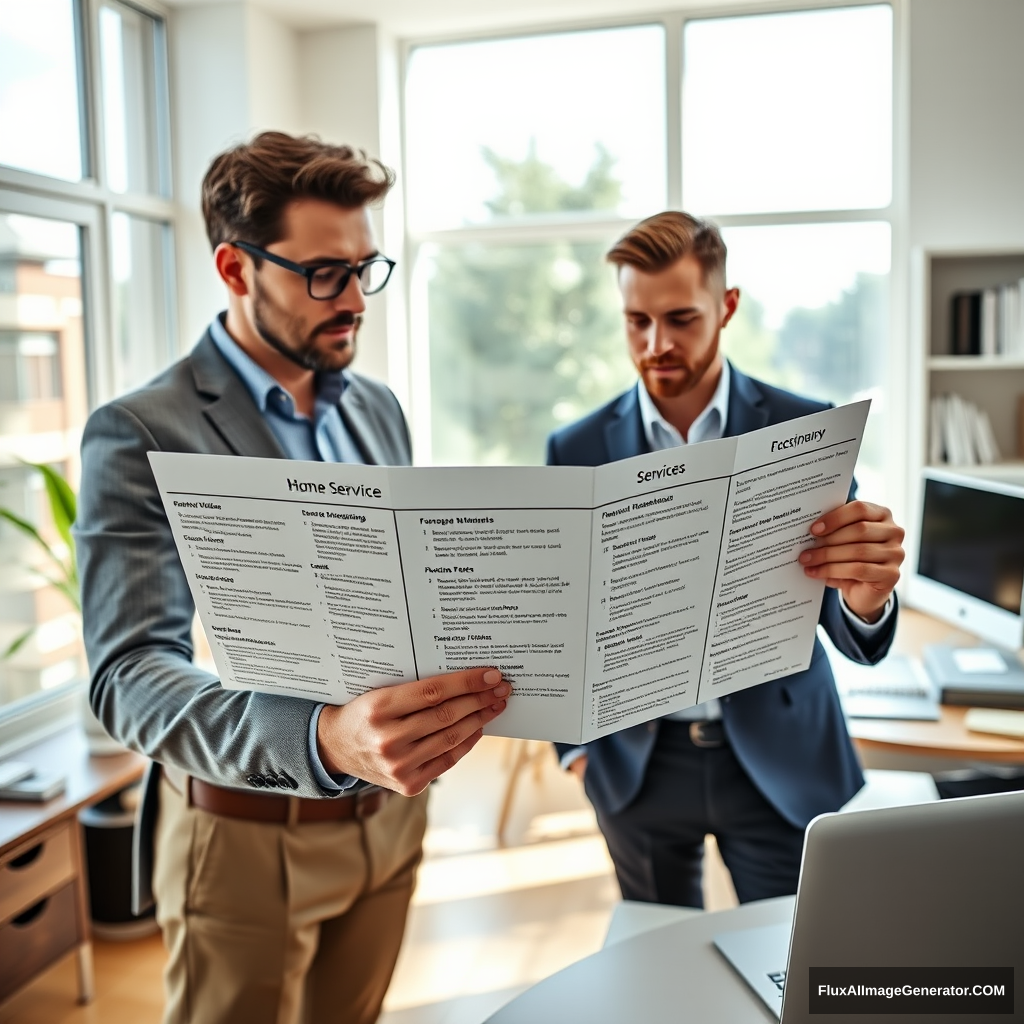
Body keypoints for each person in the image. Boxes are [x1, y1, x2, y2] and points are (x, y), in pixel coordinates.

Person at [73, 132, 511, 1024]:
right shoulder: (141, 431)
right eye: (323, 274)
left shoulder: (378, 412)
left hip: (390, 820)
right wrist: (321, 740)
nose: (354, 300)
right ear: (236, 269)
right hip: (242, 839)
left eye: (365, 268)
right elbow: (128, 676)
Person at [547, 211, 905, 908]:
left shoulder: (806, 429)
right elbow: (562, 619)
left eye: (680, 318)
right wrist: (574, 750)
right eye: (636, 321)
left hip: (780, 759)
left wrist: (865, 598)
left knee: (791, 972)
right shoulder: (576, 446)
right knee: (656, 974)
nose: (656, 344)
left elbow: (842, 613)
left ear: (727, 306)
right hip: (636, 770)